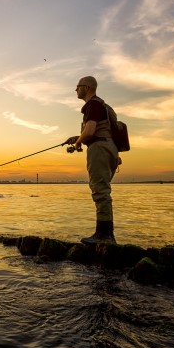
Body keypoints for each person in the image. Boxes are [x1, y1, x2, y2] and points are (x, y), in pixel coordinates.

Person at [64, 75, 119, 244]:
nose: (76, 89)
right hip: (109, 148)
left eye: (78, 86)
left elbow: (89, 132)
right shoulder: (102, 105)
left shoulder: (92, 104)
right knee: (103, 190)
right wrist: (77, 138)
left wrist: (77, 144)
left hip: (99, 149)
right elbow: (97, 130)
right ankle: (107, 234)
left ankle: (104, 235)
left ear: (86, 88)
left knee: (100, 191)